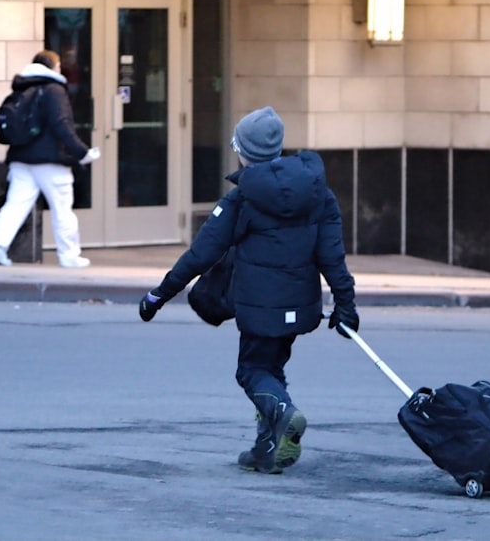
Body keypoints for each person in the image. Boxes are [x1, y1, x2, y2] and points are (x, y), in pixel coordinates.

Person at [137, 105, 360, 474]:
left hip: (259, 307)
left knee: (251, 370)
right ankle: (266, 446)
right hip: (300, 306)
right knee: (271, 367)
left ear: (243, 152)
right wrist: (346, 304)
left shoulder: (242, 199)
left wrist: (159, 295)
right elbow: (332, 257)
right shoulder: (319, 194)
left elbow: (200, 255)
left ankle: (283, 413)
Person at [0, 49, 100, 268]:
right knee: (62, 207)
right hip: (50, 161)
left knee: (15, 204)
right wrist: (82, 152)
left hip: (20, 157)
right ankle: (69, 255)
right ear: (53, 66)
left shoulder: (22, 87)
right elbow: (61, 125)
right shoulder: (54, 90)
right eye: (58, 66)